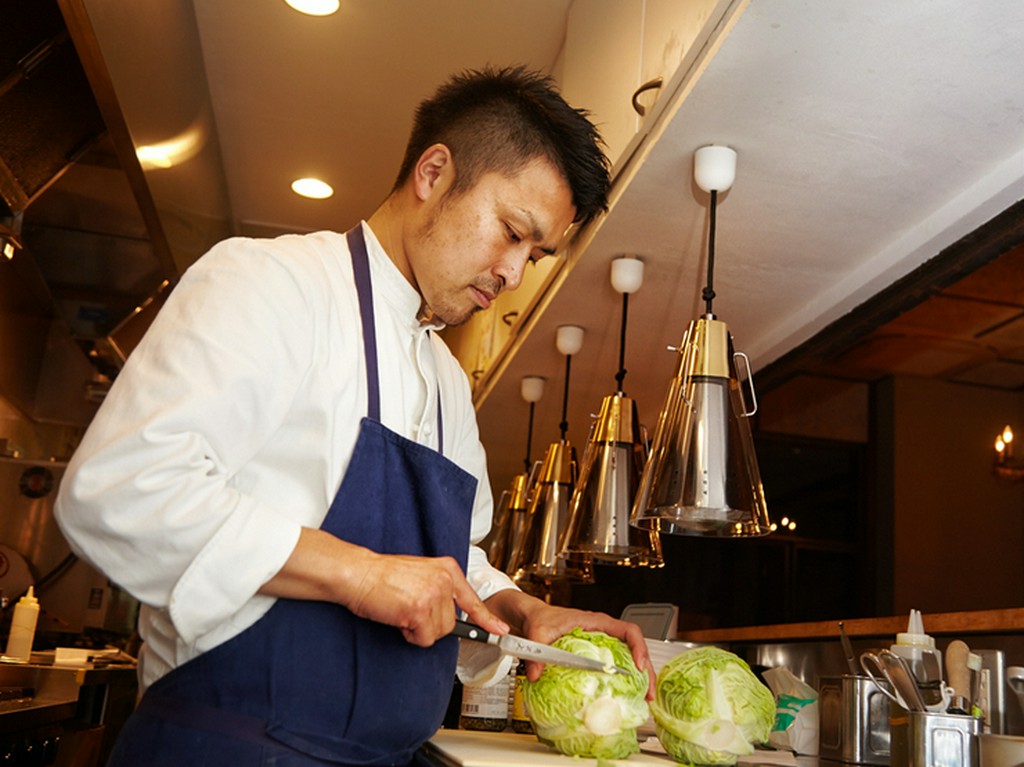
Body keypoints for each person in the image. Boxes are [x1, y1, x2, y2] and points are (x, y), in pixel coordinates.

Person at [55, 65, 652, 766]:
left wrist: (521, 610)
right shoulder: (271, 284)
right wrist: (362, 574)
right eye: (512, 231)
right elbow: (119, 488)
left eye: (537, 253)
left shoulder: (448, 382)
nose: (515, 271)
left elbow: (452, 565)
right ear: (433, 173)